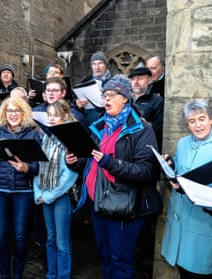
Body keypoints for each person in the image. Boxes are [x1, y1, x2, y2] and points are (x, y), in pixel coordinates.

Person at [65, 74, 162, 279]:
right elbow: (91, 161)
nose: (106, 99)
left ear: (125, 97)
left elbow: (146, 171)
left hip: (123, 205)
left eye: (112, 95)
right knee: (105, 256)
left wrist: (111, 163)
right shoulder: (100, 125)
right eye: (104, 95)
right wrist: (75, 161)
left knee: (121, 261)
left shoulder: (141, 129)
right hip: (98, 202)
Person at [160, 99, 212, 279]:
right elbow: (181, 169)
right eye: (192, 121)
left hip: (202, 223)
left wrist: (190, 187)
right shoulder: (183, 143)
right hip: (179, 222)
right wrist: (171, 164)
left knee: (197, 274)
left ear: (211, 119)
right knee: (182, 271)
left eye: (202, 119)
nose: (198, 125)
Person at [0, 97, 41, 279]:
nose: (13, 114)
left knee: (21, 236)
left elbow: (38, 167)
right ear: (4, 114)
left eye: (17, 111)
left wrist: (27, 168)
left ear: (24, 113)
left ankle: (18, 275)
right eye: (9, 111)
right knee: (2, 236)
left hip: (23, 192)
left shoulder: (33, 135)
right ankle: (5, 275)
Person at [33, 100, 79, 279]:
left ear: (65, 116)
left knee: (62, 242)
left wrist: (49, 196)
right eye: (49, 115)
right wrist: (39, 193)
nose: (51, 119)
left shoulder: (69, 139)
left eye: (55, 115)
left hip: (61, 197)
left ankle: (63, 276)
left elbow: (70, 176)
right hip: (45, 195)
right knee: (50, 238)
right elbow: (39, 166)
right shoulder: (46, 137)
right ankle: (51, 274)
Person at [128, 66, 164, 150]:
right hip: (126, 146)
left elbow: (162, 129)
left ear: (149, 80)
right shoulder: (124, 99)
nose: (136, 82)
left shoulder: (157, 101)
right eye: (133, 79)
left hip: (145, 147)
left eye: (140, 78)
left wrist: (147, 125)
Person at [76, 51, 110, 126]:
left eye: (100, 63)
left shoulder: (114, 82)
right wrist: (79, 106)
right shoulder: (85, 82)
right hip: (89, 122)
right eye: (94, 64)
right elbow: (77, 106)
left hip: (108, 123)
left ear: (106, 65)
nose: (97, 67)